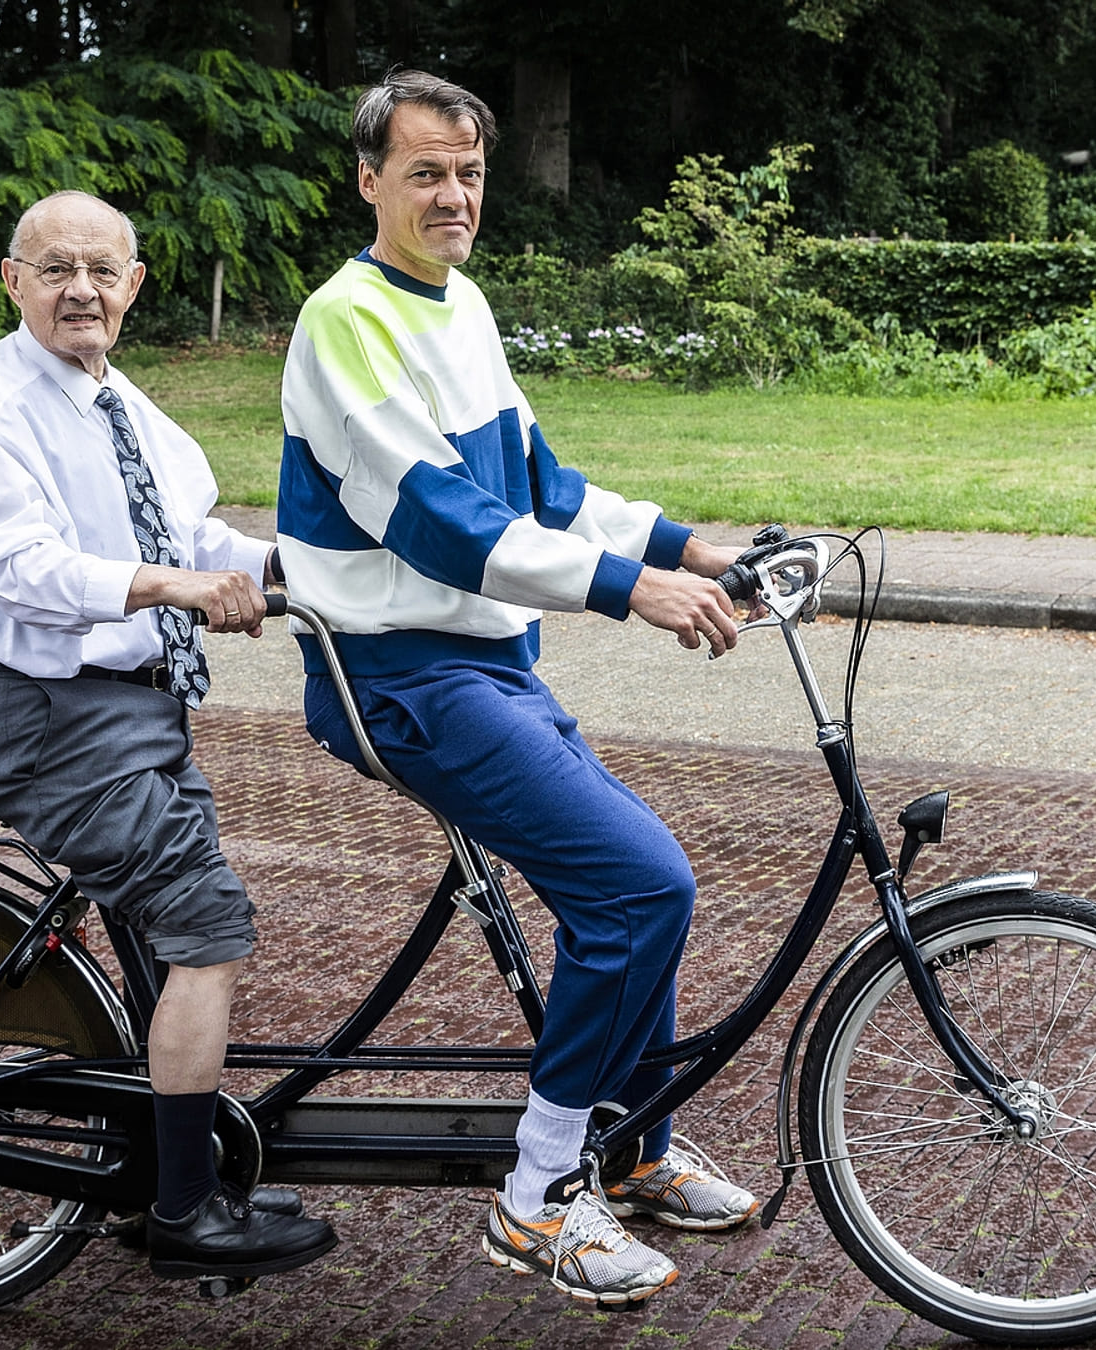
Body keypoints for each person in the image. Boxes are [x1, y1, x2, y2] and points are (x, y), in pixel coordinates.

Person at [276, 71, 758, 1308]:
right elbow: (437, 520)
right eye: (427, 171)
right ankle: (540, 1196)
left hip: (488, 665)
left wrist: (687, 545)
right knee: (641, 883)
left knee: (644, 886)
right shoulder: (346, 323)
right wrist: (622, 590)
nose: (454, 195)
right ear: (370, 180)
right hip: (395, 675)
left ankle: (634, 1150)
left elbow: (539, 482)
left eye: (470, 173)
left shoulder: (464, 305)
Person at [0, 189, 338, 1284]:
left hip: (138, 713)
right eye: (55, 268)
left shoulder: (127, 407)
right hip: (41, 718)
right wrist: (174, 586)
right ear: (13, 281)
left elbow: (196, 531)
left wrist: (313, 573)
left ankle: (159, 1161)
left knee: (158, 935)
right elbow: (18, 566)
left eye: (103, 270)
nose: (82, 290)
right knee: (206, 925)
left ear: (135, 284)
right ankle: (187, 1213)